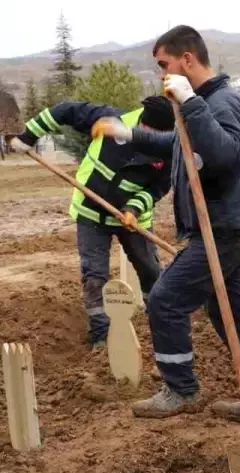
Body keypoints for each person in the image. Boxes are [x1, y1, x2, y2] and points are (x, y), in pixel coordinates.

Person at [92, 25, 240, 420]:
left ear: (187, 60)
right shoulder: (200, 104)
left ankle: (181, 388)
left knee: (164, 300)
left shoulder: (222, 102)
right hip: (224, 225)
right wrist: (129, 133)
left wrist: (191, 101)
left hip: (224, 227)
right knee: (228, 308)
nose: (162, 74)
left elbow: (224, 155)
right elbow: (176, 143)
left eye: (165, 65)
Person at [7, 96, 174, 350]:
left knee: (150, 270)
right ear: (141, 119)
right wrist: (29, 135)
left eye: (156, 133)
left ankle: (161, 321)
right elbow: (63, 110)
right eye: (147, 130)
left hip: (132, 219)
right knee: (95, 275)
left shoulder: (169, 147)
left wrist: (133, 208)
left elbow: (159, 187)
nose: (149, 136)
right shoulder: (111, 120)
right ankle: (101, 337)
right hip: (91, 213)